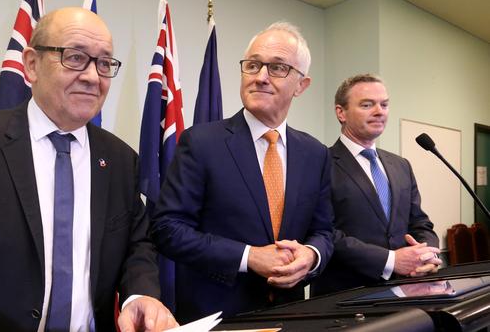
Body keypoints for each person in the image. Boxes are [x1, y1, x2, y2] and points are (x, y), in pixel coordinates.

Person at [0, 7, 177, 332]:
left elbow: (136, 244)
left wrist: (138, 295)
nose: (92, 76)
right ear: (31, 64)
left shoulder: (120, 160)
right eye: (75, 57)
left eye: (104, 63)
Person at [149, 22, 334, 322]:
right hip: (217, 316)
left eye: (277, 68)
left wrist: (311, 256)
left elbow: (324, 231)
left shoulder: (316, 153)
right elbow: (167, 229)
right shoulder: (201, 142)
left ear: (302, 85)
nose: (261, 77)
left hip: (291, 314)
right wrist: (249, 257)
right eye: (253, 65)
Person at [311, 73, 441, 296]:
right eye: (367, 104)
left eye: (384, 104)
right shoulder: (318, 162)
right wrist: (391, 260)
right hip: (345, 295)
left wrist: (426, 253)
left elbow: (419, 222)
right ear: (341, 112)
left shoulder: (401, 165)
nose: (379, 111)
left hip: (406, 291)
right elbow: (324, 232)